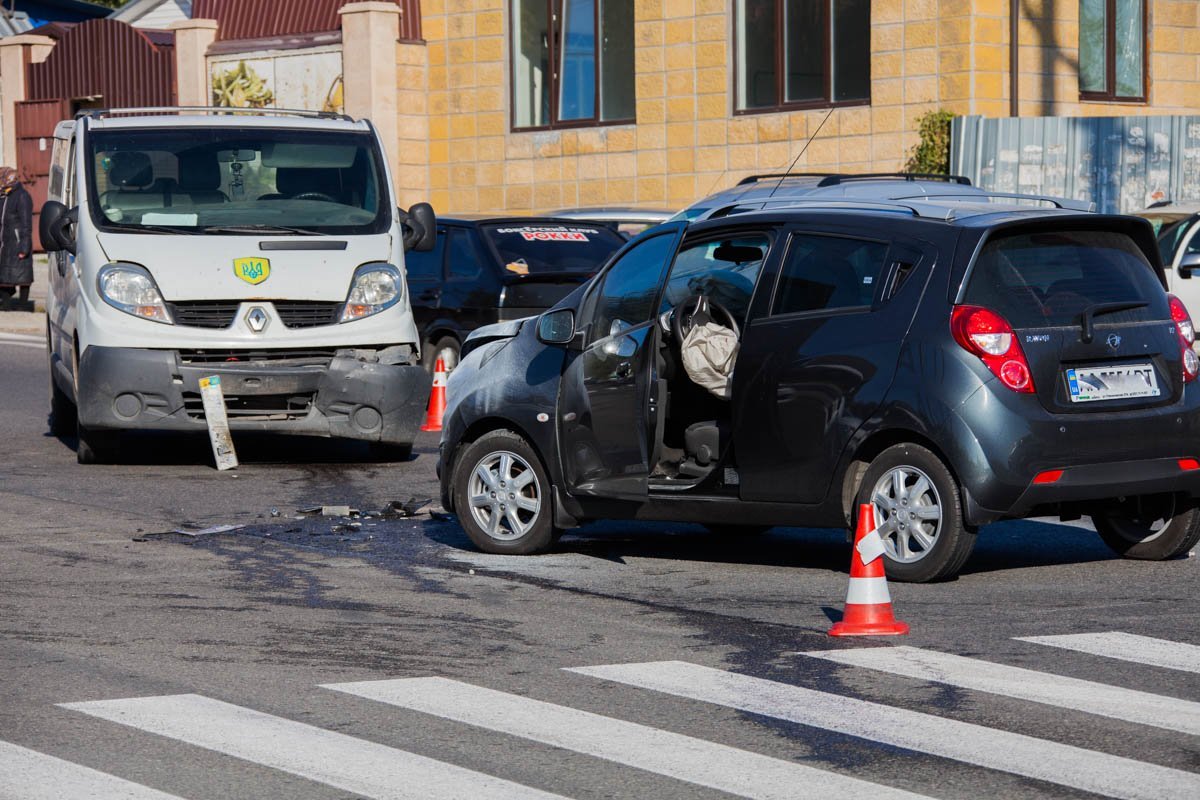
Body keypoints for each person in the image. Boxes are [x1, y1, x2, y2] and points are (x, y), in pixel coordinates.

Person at [0, 166, 34, 311]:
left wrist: (24, 247)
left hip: (18, 241)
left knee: (22, 274)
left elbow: (26, 224)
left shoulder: (22, 196)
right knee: (5, 275)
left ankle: (22, 305)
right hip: (5, 242)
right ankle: (6, 304)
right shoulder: (4, 196)